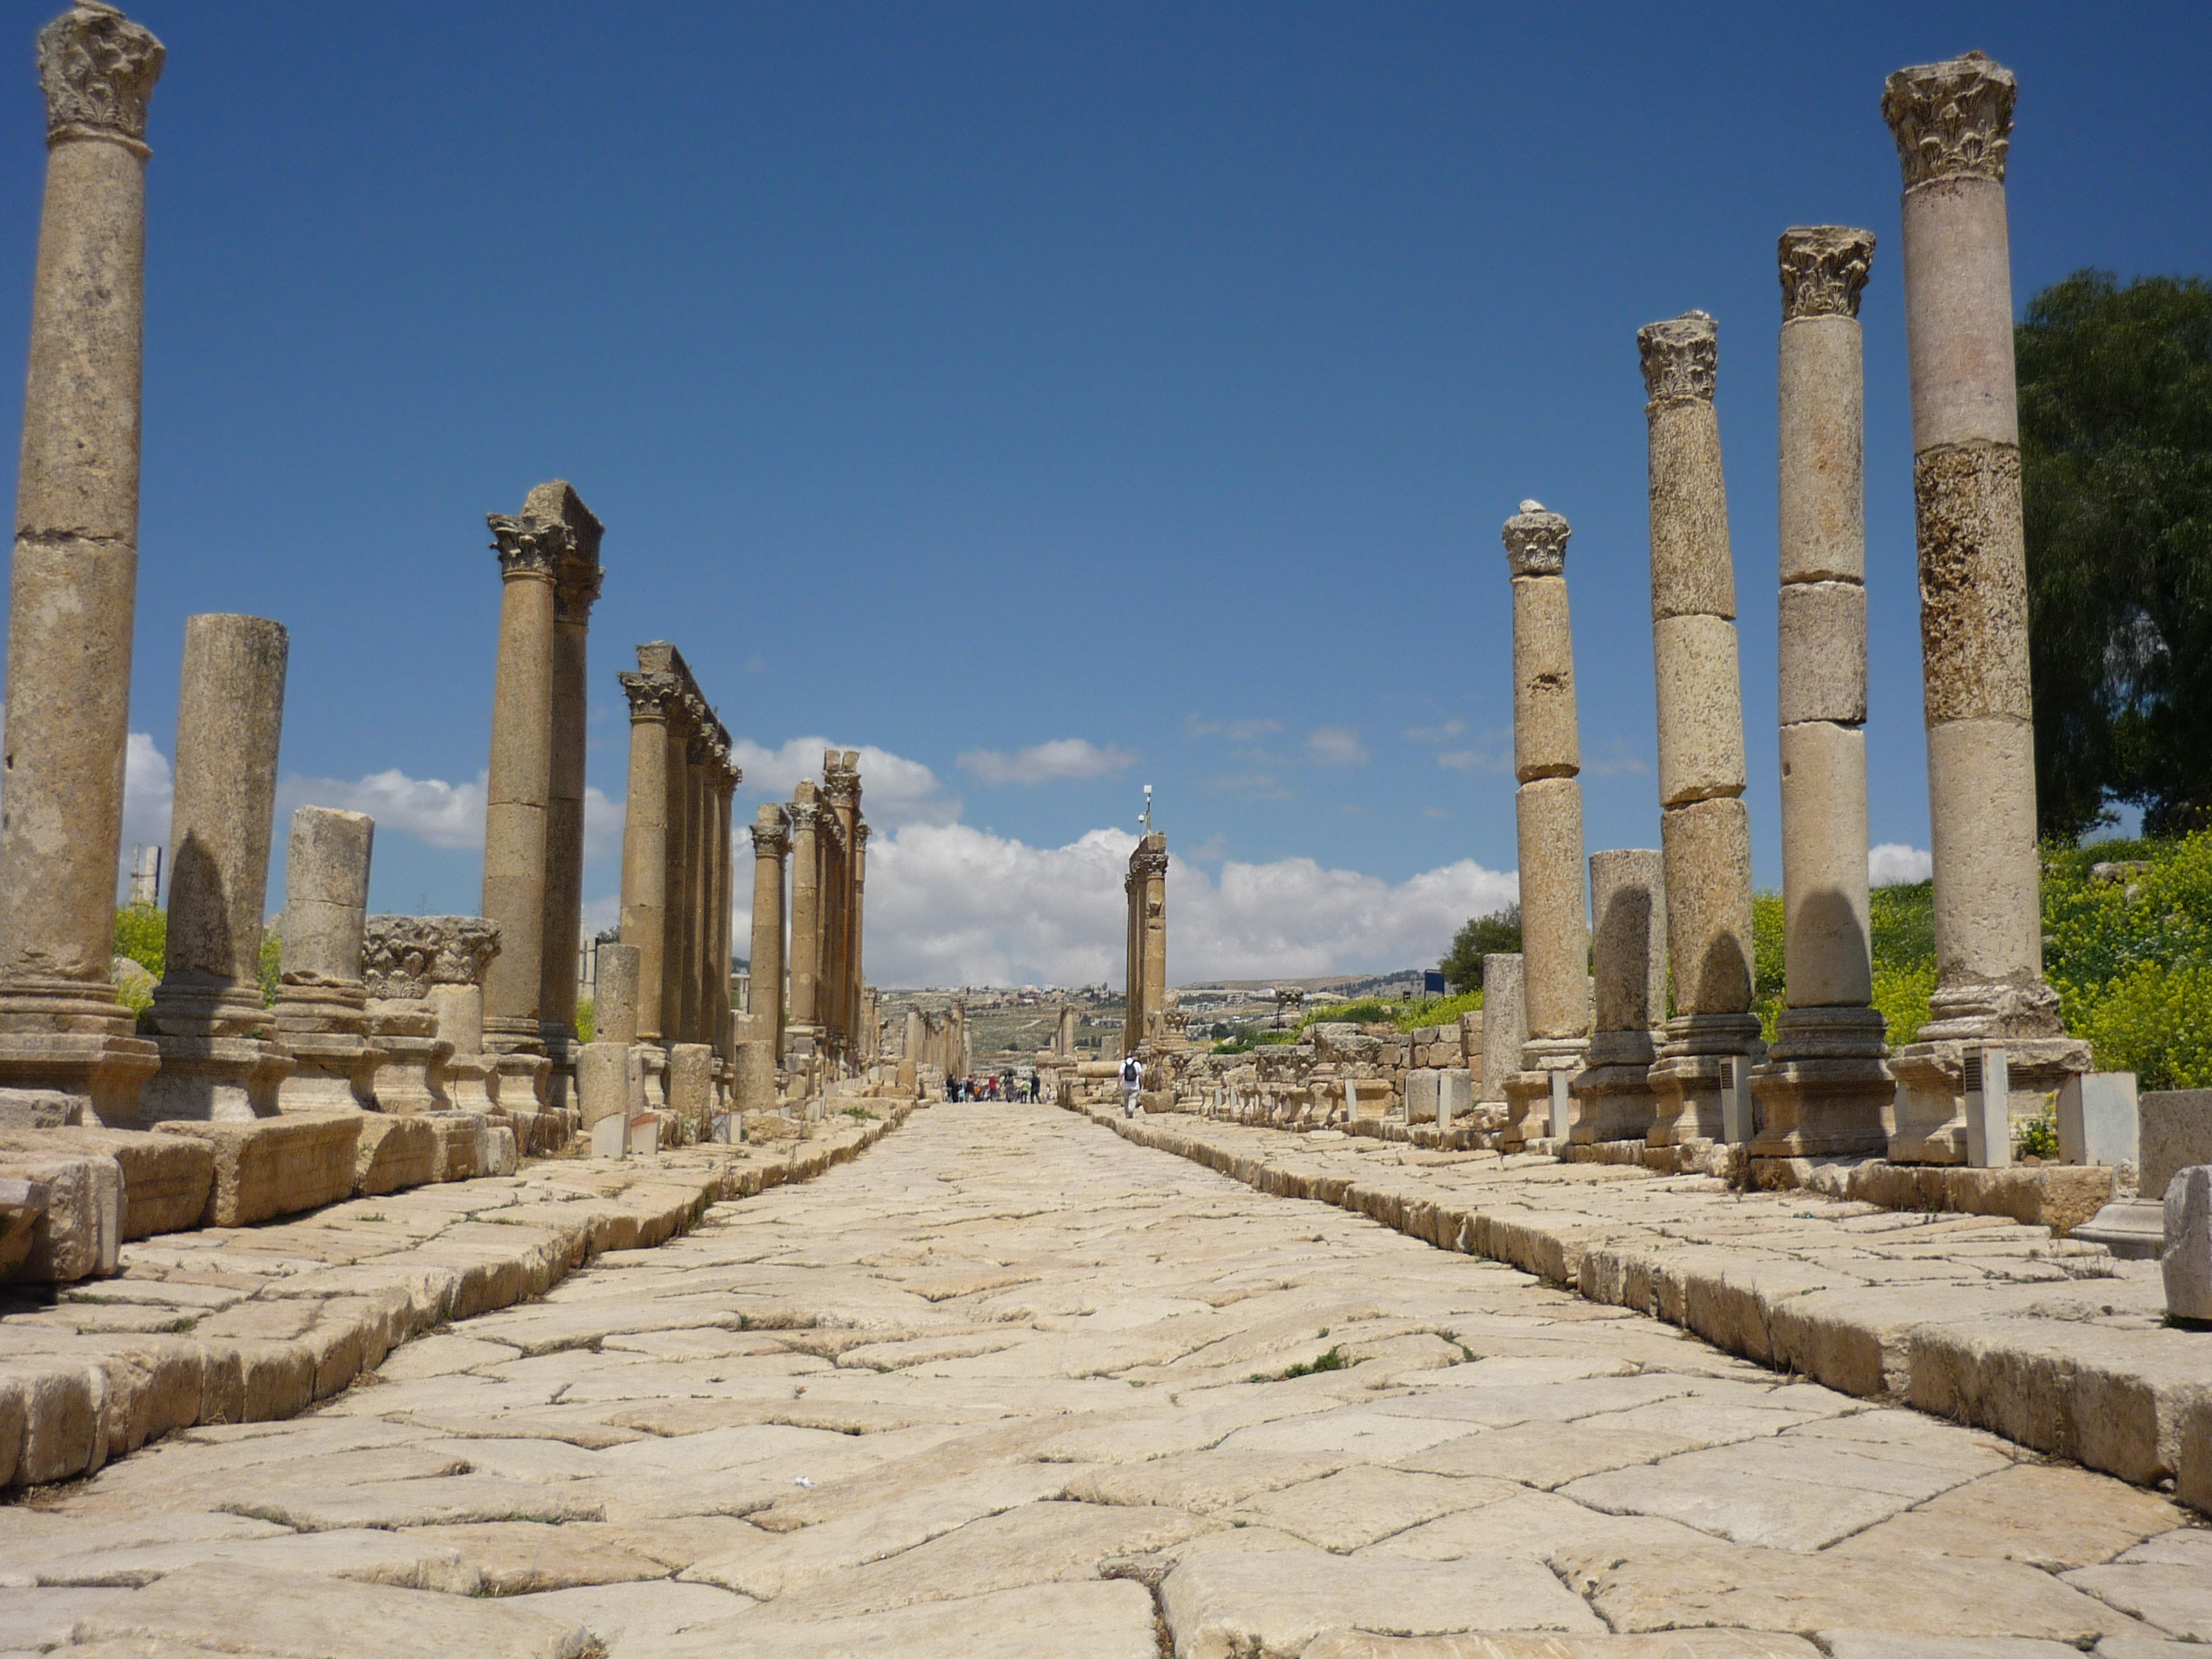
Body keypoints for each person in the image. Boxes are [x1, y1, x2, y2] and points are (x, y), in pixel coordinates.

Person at [1120, 1052, 1143, 1119]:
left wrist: (1119, 1084)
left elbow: (1120, 1075)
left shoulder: (1123, 1064)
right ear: (1132, 1057)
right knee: (1133, 1098)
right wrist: (1142, 1083)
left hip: (1126, 1085)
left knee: (1126, 1099)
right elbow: (1141, 1075)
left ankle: (1127, 1113)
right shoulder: (1137, 1064)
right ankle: (1131, 1109)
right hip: (1135, 1085)